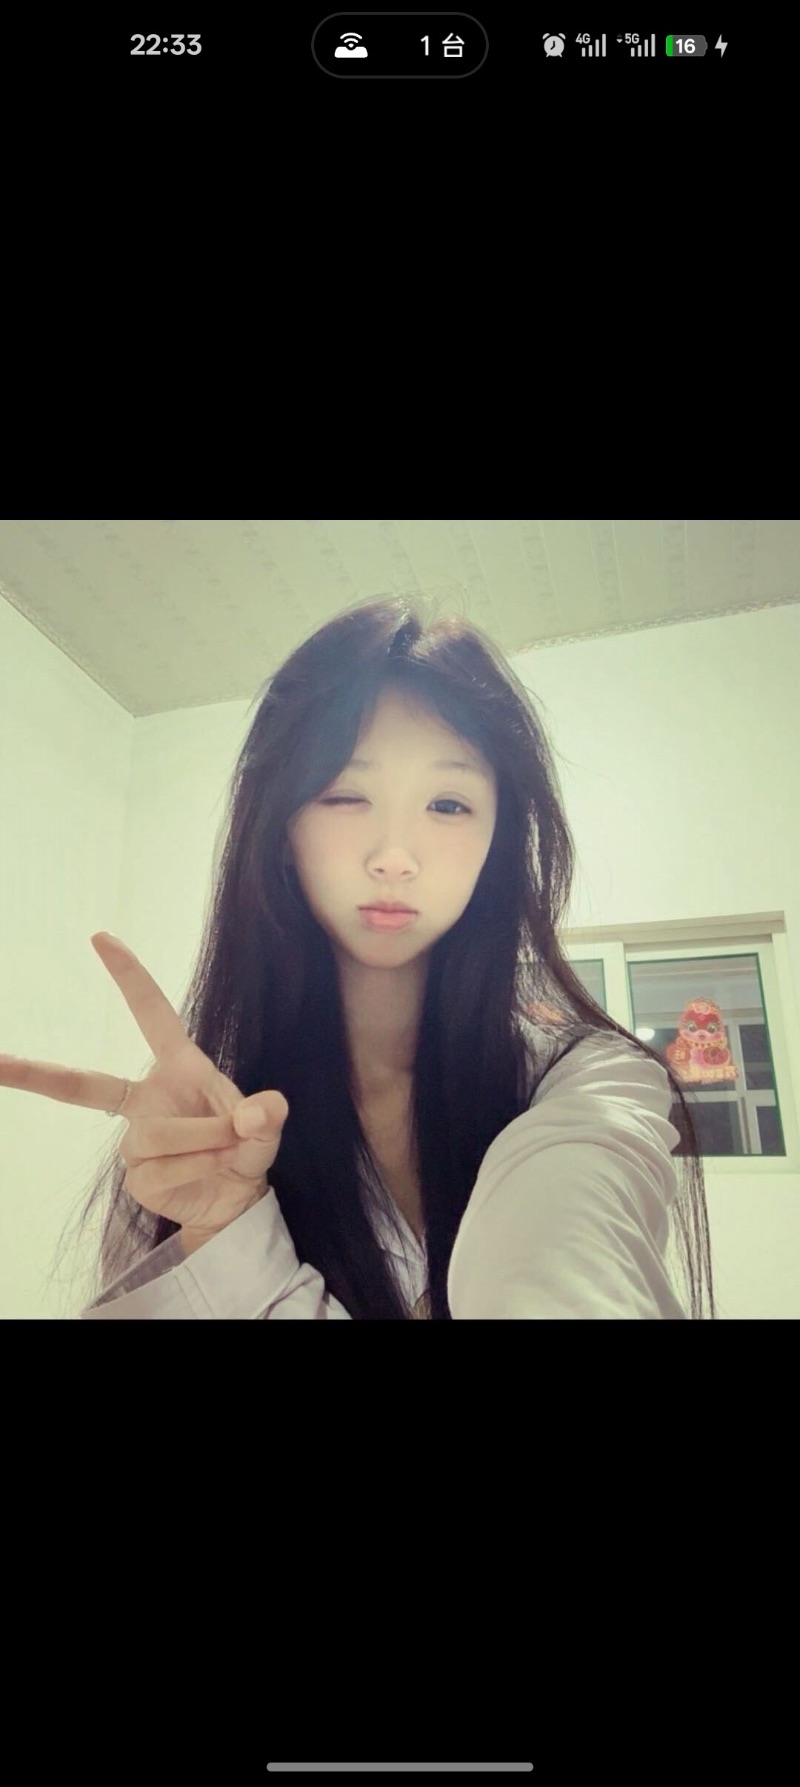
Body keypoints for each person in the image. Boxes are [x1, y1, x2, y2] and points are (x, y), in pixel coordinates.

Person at [4, 593, 717, 1318]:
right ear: (282, 828)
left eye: (448, 804)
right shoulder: (193, 1137)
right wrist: (221, 1228)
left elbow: (565, 1261)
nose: (394, 857)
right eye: (345, 796)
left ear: (498, 841)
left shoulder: (589, 1085)